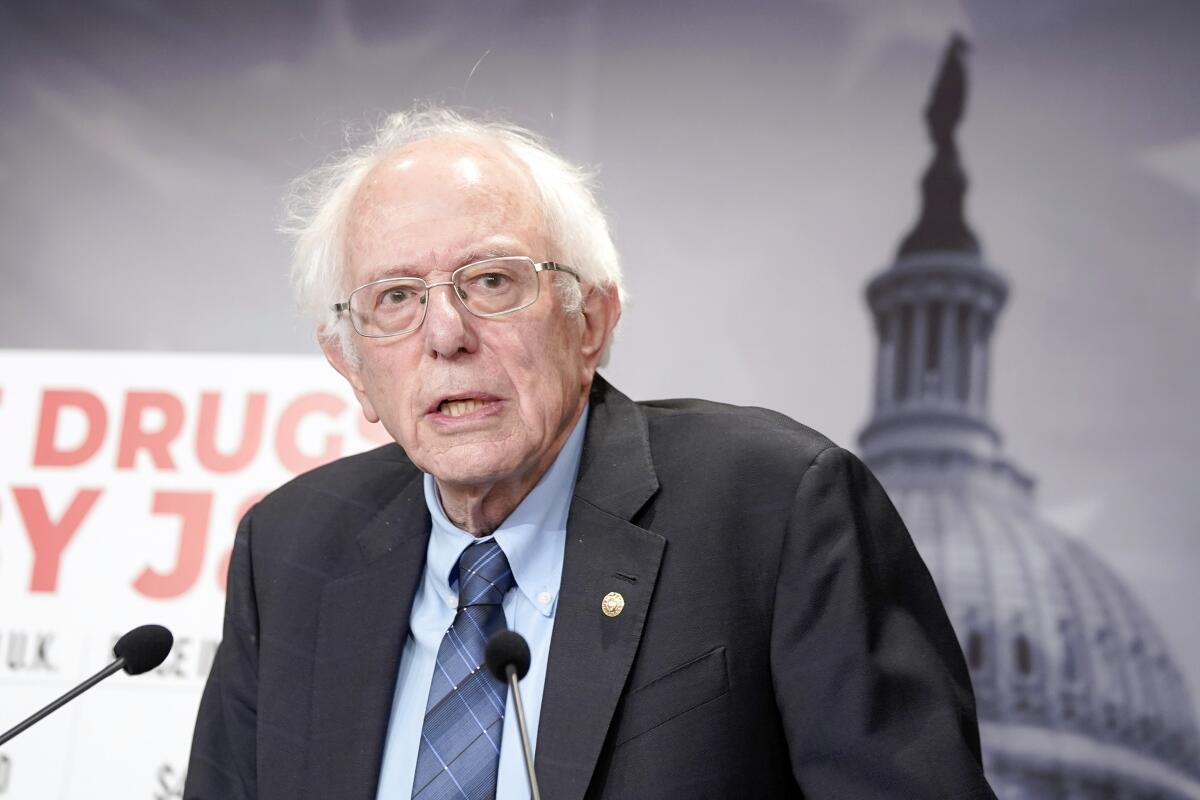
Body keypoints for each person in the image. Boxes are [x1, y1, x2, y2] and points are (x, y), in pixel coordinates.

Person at [185, 107, 995, 800]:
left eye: (492, 281)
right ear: (352, 367)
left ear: (592, 321)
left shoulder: (775, 508)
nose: (445, 335)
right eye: (396, 298)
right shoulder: (291, 550)